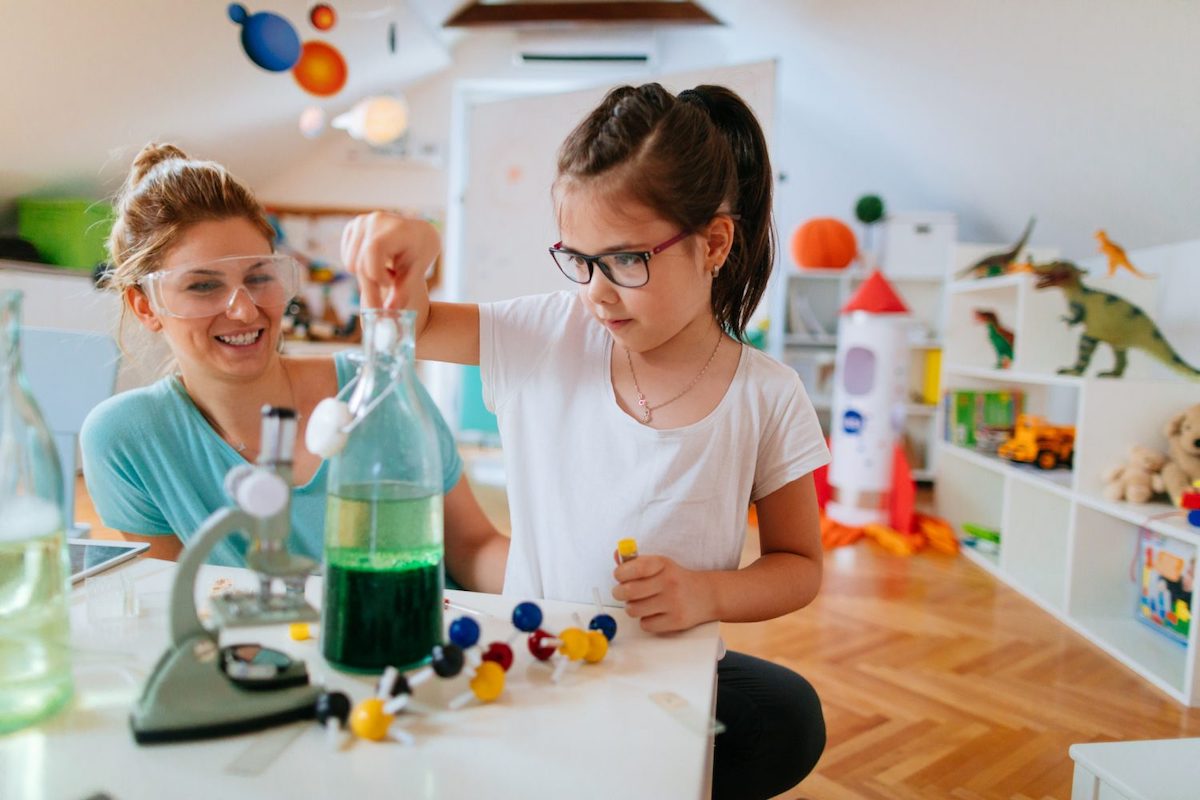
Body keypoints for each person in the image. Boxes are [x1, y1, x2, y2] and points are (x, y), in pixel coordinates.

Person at [341, 84, 829, 799]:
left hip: (664, 673)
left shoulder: (766, 393)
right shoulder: (544, 333)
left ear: (715, 242)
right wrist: (414, 244)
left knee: (786, 721)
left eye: (627, 260)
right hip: (533, 661)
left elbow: (800, 564)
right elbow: (405, 318)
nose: (597, 292)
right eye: (580, 258)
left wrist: (706, 592)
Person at [80, 143, 509, 593]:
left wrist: (563, 589)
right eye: (203, 286)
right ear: (145, 305)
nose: (244, 311)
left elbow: (473, 548)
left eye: (259, 277)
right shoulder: (128, 439)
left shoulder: (379, 389)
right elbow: (178, 606)